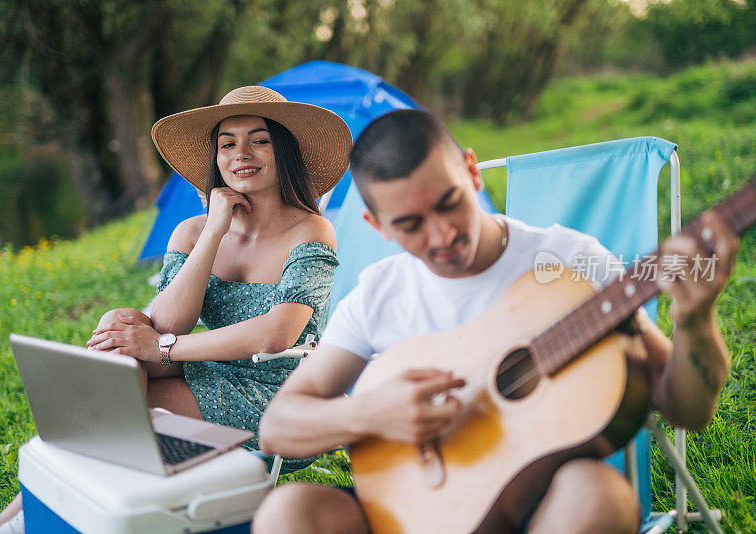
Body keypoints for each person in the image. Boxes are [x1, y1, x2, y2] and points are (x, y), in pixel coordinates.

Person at [251, 109, 739, 534]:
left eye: (450, 203)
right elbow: (276, 427)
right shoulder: (379, 293)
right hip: (412, 511)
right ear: (377, 227)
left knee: (600, 494)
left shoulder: (569, 262)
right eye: (410, 224)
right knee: (286, 513)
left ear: (471, 172)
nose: (442, 235)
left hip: (539, 511)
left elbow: (687, 412)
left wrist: (694, 320)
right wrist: (371, 413)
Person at [0, 86, 351, 534]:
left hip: (278, 397)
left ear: (284, 150)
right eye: (227, 144)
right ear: (215, 159)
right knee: (120, 332)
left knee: (106, 417)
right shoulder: (192, 231)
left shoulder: (311, 230)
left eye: (259, 140)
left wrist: (163, 347)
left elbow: (277, 333)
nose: (241, 155)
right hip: (211, 371)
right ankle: (23, 522)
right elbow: (170, 321)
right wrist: (214, 230)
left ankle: (22, 523)